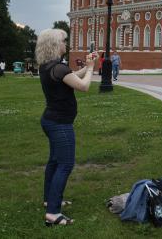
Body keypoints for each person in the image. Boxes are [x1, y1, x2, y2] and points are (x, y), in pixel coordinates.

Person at [35, 29, 97, 226]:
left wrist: (86, 67)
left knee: (54, 162)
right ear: (54, 44)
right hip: (60, 124)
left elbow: (70, 77)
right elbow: (84, 86)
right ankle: (53, 213)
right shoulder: (59, 68)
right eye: (63, 41)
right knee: (65, 164)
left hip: (50, 120)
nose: (66, 44)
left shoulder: (48, 66)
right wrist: (91, 68)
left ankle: (49, 200)